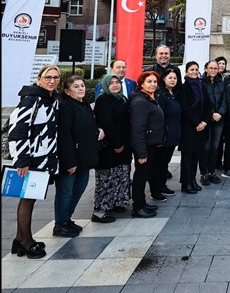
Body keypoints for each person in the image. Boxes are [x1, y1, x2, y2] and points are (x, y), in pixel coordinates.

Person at [8, 65, 61, 258]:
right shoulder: (31, 100)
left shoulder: (51, 98)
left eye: (56, 77)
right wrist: (22, 160)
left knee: (30, 197)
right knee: (28, 199)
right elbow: (17, 130)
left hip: (43, 158)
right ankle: (26, 242)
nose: (52, 81)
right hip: (31, 160)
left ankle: (18, 239)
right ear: (39, 78)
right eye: (48, 77)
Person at [54, 76, 102, 237]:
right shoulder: (66, 107)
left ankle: (67, 219)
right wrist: (69, 162)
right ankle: (60, 224)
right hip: (71, 159)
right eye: (76, 87)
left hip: (84, 158)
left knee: (79, 189)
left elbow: (88, 126)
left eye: (82, 85)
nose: (81, 88)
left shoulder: (84, 105)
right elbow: (65, 135)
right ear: (67, 91)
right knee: (66, 192)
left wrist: (98, 130)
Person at [93, 74, 133, 224]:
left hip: (124, 146)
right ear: (105, 86)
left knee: (121, 175)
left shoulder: (122, 99)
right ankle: (100, 210)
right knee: (106, 179)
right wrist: (117, 143)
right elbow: (107, 123)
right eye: (112, 83)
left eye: (118, 82)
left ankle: (117, 202)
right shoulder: (103, 100)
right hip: (110, 147)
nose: (116, 85)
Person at [129, 71, 164, 217]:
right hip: (144, 146)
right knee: (140, 176)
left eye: (155, 82)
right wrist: (142, 152)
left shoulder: (151, 98)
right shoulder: (140, 102)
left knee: (144, 175)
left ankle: (142, 203)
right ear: (141, 83)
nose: (153, 84)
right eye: (149, 81)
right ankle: (137, 207)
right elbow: (137, 129)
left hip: (151, 144)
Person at [178, 61, 212, 193]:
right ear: (186, 72)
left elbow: (209, 106)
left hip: (201, 128)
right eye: (191, 69)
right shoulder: (183, 88)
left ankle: (193, 180)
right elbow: (185, 109)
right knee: (187, 157)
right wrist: (197, 123)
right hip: (189, 127)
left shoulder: (201, 86)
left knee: (196, 156)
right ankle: (185, 183)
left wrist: (204, 122)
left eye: (196, 70)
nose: (194, 72)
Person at [200, 60, 226, 185]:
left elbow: (224, 100)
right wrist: (211, 114)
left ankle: (212, 172)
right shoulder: (201, 83)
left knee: (215, 147)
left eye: (215, 68)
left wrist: (220, 113)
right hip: (207, 119)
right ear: (206, 69)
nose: (213, 70)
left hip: (219, 119)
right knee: (206, 147)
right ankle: (204, 173)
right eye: (211, 68)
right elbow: (203, 102)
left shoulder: (221, 82)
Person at [156, 68, 181, 196]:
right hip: (164, 135)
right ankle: (158, 188)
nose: (173, 80)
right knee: (160, 163)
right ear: (164, 79)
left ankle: (162, 185)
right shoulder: (161, 95)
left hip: (173, 134)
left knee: (165, 162)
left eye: (175, 78)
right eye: (170, 78)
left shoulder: (174, 94)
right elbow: (160, 117)